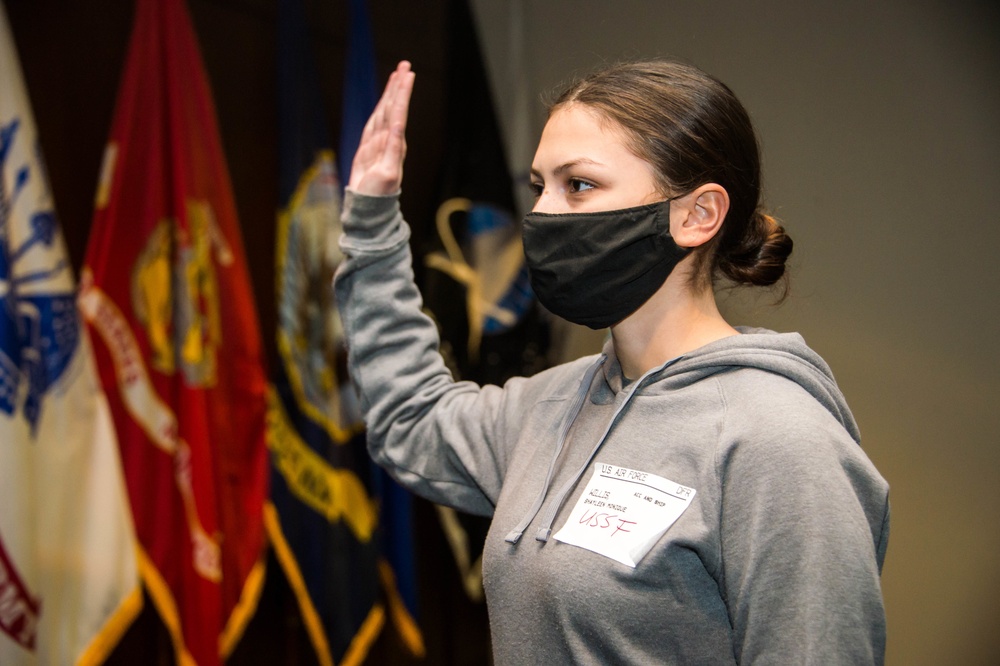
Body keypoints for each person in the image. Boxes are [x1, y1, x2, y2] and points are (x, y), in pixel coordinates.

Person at [336, 59, 889, 664]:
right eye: (538, 186)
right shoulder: (554, 406)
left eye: (578, 185)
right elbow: (414, 420)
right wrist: (371, 221)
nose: (543, 214)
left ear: (697, 215)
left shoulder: (778, 442)